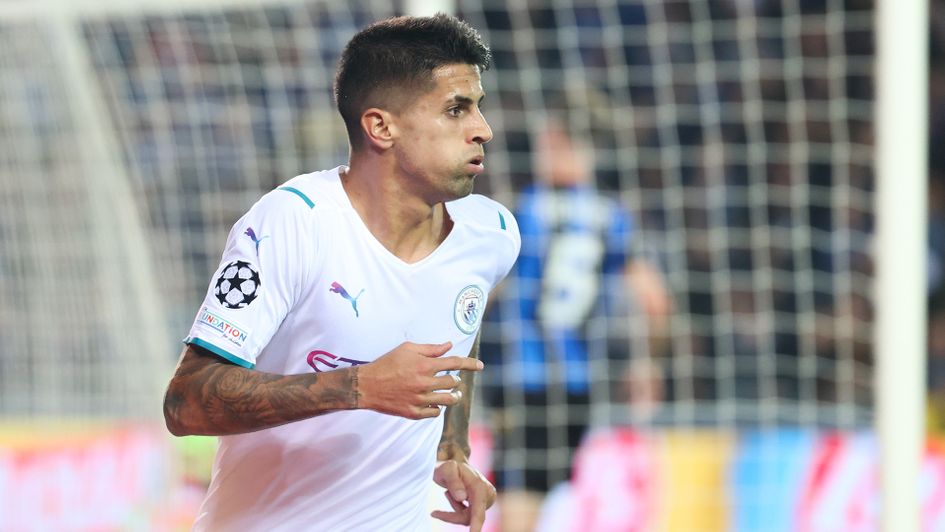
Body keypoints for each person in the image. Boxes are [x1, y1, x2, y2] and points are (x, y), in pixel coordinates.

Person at [162, 14, 520, 532]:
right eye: (455, 109)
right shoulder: (293, 223)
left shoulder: (492, 234)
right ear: (380, 126)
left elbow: (461, 317)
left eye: (478, 107)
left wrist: (452, 447)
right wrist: (359, 386)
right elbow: (187, 401)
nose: (482, 129)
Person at [484, 89, 672, 532]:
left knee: (518, 501)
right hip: (578, 383)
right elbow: (656, 302)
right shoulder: (612, 216)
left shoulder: (522, 211)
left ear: (553, 139)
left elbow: (483, 290)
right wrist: (648, 366)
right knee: (545, 495)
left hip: (522, 377)